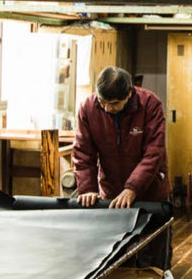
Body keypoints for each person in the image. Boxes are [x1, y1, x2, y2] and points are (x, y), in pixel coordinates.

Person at [72, 66, 172, 208]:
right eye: (102, 102)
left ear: (129, 93)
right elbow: (83, 153)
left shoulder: (150, 104)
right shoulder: (88, 108)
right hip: (111, 194)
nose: (107, 108)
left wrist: (132, 188)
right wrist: (88, 188)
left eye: (114, 103)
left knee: (152, 230)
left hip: (150, 194)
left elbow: (153, 153)